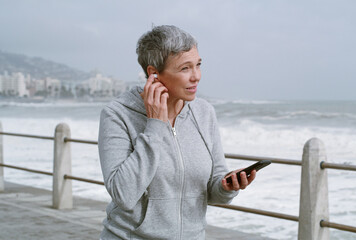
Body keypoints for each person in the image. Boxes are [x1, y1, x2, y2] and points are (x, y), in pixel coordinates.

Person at [98, 25, 256, 239]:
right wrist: (155, 124)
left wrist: (227, 186)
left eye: (198, 65)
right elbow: (123, 194)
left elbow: (213, 188)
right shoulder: (117, 114)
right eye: (185, 68)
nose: (196, 76)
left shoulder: (204, 112)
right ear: (153, 73)